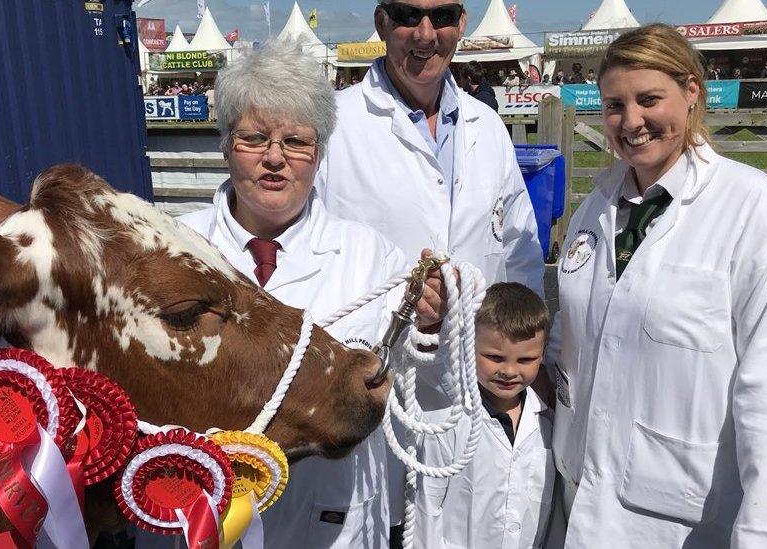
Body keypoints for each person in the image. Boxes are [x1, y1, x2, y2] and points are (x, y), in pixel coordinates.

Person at [546, 24, 767, 547]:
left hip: (679, 520)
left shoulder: (752, 210)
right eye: (615, 105)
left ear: (691, 93)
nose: (632, 122)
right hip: (578, 496)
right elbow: (571, 335)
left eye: (649, 100)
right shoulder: (594, 208)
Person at [175, 41, 438, 549]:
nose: (275, 158)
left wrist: (431, 324)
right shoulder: (174, 248)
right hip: (197, 518)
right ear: (226, 145)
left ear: (319, 152)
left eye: (295, 141)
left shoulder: (372, 258)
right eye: (254, 138)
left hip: (331, 522)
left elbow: (412, 384)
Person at [316, 0, 545, 306]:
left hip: (475, 347)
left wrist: (525, 340)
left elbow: (519, 253)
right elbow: (302, 256)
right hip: (369, 349)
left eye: (441, 16)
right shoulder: (331, 125)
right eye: (408, 15)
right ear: (381, 23)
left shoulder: (487, 125)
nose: (425, 34)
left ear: (461, 24)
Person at [414, 282, 558, 549]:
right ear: (470, 345)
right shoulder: (447, 424)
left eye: (525, 360)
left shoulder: (548, 425)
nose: (509, 371)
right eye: (494, 356)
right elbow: (426, 509)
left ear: (542, 354)